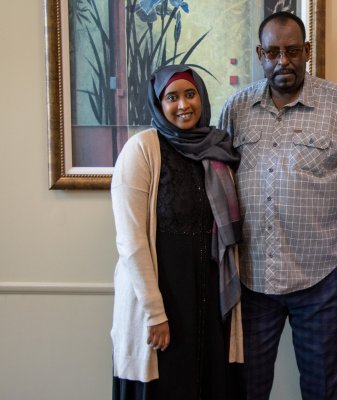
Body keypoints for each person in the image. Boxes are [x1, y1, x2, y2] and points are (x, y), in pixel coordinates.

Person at [218, 11, 337, 400]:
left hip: (322, 278)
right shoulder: (235, 110)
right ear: (260, 54)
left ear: (306, 51)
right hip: (252, 278)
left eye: (292, 51)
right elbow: (217, 189)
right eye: (273, 52)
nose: (283, 61)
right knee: (245, 388)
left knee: (325, 389)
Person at [110, 64, 243, 400]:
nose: (183, 105)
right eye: (172, 97)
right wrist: (154, 313)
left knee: (206, 385)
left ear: (201, 97)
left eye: (190, 94)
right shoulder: (142, 150)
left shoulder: (217, 152)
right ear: (158, 103)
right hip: (162, 300)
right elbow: (131, 241)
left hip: (209, 300)